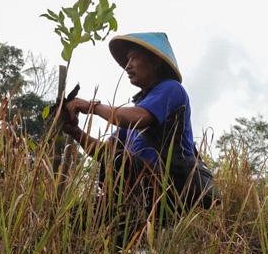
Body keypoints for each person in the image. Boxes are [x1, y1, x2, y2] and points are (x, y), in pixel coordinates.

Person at [63, 32, 217, 234]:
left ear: (155, 62)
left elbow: (137, 118)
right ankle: (126, 231)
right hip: (139, 190)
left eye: (134, 58)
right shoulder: (134, 112)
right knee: (75, 218)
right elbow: (106, 152)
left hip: (172, 188)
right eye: (127, 60)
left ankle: (137, 228)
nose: (127, 66)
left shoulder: (171, 89)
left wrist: (91, 106)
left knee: (122, 161)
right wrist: (74, 131)